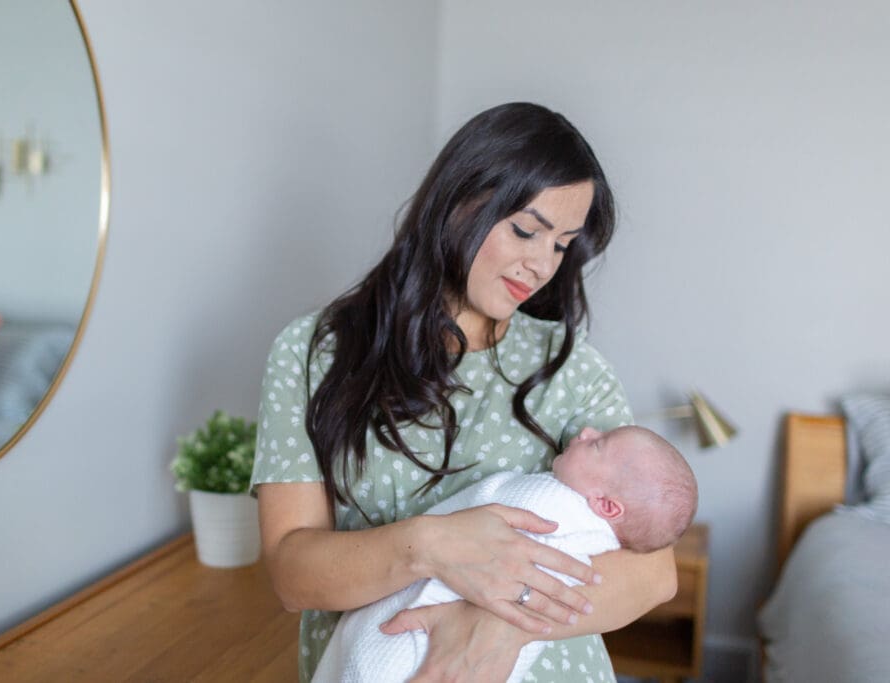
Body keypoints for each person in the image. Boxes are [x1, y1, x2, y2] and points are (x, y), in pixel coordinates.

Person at [252, 102, 678, 683]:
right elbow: (291, 575)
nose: (540, 265)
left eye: (561, 245)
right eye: (526, 230)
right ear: (458, 199)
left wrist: (500, 625)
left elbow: (655, 576)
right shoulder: (313, 354)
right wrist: (431, 545)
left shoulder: (572, 367)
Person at [312, 425, 698, 683]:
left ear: (607, 507)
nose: (586, 431)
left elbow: (494, 503)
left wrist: (507, 624)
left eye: (598, 444)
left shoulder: (556, 509)